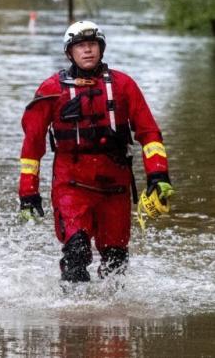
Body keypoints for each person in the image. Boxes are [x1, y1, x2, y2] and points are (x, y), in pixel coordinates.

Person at [18, 20, 174, 283]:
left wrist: (158, 175)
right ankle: (72, 318)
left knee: (116, 263)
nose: (87, 50)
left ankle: (110, 319)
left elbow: (149, 133)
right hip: (72, 185)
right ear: (70, 53)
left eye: (92, 44)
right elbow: (32, 144)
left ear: (101, 49)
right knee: (76, 254)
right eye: (80, 46)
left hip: (115, 187)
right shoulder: (52, 90)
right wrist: (28, 192)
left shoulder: (124, 86)